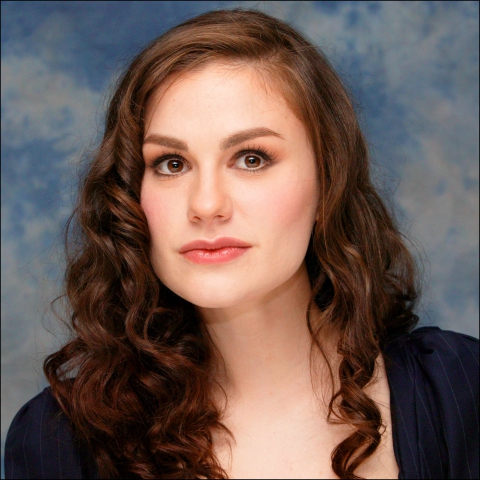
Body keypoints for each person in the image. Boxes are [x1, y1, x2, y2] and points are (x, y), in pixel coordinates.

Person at [4, 8, 478, 480]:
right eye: (171, 164)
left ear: (327, 183)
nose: (207, 204)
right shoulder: (58, 441)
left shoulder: (460, 388)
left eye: (251, 158)